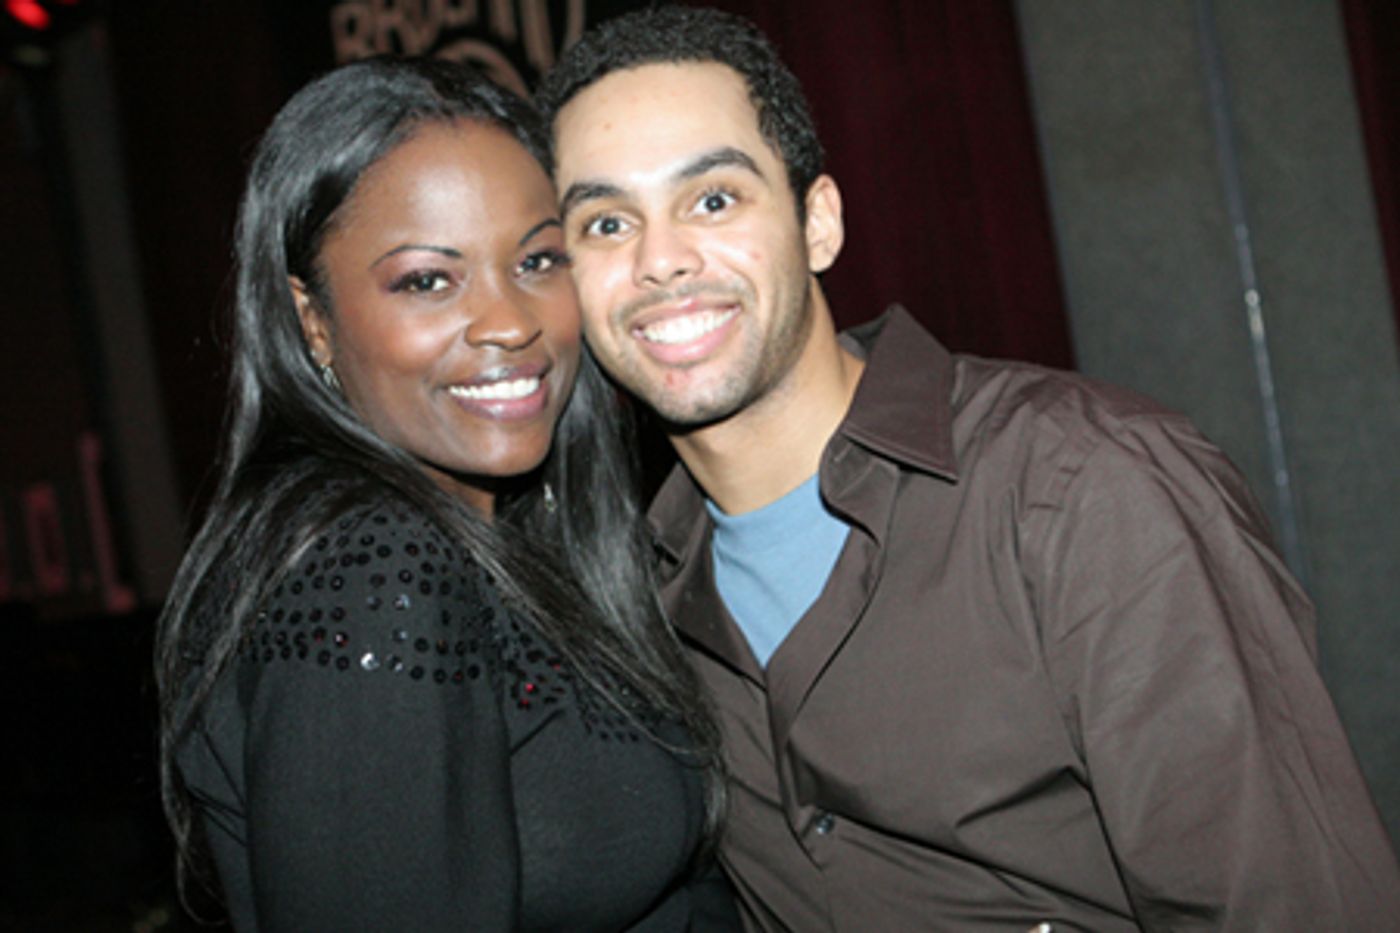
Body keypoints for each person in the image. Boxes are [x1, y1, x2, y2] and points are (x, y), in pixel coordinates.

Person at [535, 7, 1400, 930]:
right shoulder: (626, 601)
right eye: (607, 222)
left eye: (713, 199)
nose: (660, 260)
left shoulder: (1085, 490)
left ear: (817, 223)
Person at [155, 56, 741, 931]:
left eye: (537, 260)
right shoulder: (373, 571)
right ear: (313, 320)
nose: (510, 322)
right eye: (429, 280)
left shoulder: (515, 536)